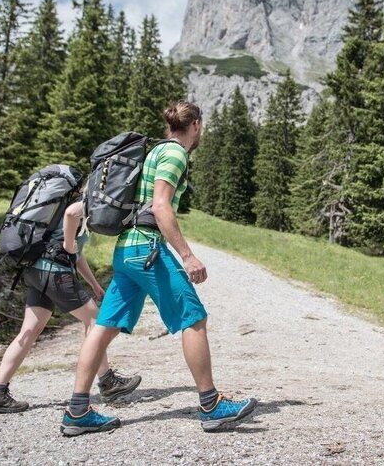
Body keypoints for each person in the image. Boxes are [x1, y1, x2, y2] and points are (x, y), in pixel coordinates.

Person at [59, 100, 256, 437]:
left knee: (103, 328)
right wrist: (188, 255)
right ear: (195, 124)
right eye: (201, 125)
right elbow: (162, 205)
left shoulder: (152, 152)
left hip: (126, 251)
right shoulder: (175, 153)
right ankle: (211, 404)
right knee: (193, 318)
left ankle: (77, 410)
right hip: (148, 248)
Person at [0, 199, 142, 414]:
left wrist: (94, 284)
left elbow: (77, 254)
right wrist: (67, 243)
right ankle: (108, 381)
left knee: (30, 330)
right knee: (95, 321)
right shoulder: (86, 200)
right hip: (54, 271)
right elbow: (70, 216)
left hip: (36, 271)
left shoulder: (54, 209)